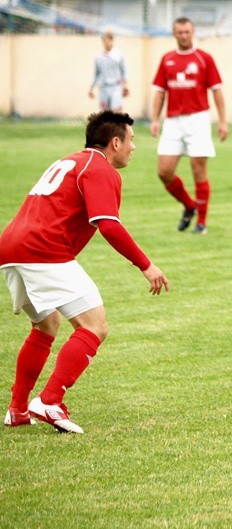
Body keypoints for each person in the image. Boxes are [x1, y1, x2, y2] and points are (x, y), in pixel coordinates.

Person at [1, 110, 169, 434]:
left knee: (46, 324)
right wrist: (146, 265)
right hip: (43, 251)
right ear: (115, 142)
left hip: (10, 248)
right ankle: (49, 401)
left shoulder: (69, 160)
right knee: (95, 326)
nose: (134, 147)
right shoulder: (100, 169)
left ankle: (17, 410)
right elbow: (107, 224)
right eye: (131, 140)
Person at [151, 17, 228, 235]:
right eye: (180, 32)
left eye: (187, 32)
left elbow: (217, 90)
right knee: (164, 171)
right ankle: (189, 205)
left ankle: (201, 223)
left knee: (198, 170)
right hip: (173, 121)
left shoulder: (204, 58)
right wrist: (155, 119)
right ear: (174, 34)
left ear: (192, 33)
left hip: (198, 119)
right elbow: (159, 92)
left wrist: (223, 121)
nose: (184, 36)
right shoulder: (167, 60)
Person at [88, 31, 128, 111]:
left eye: (108, 40)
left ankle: (121, 123)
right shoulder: (98, 57)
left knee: (116, 111)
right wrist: (91, 89)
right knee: (104, 114)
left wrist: (126, 86)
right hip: (103, 87)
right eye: (104, 41)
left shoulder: (118, 55)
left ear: (112, 40)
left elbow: (124, 71)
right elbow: (96, 74)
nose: (106, 43)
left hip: (115, 86)